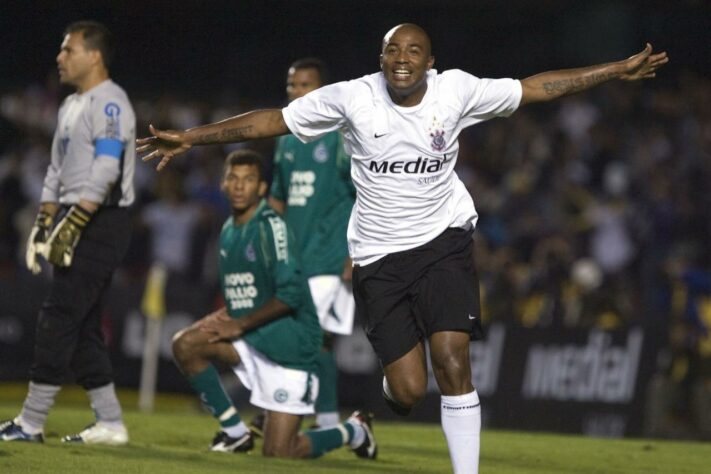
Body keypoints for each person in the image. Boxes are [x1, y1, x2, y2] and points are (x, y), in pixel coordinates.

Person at [138, 23, 668, 473]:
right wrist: (190, 137)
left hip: (444, 239)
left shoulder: (455, 91)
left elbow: (538, 88)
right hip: (378, 256)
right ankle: (388, 399)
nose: (402, 59)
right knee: (410, 391)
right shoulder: (352, 97)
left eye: (414, 51)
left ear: (430, 62)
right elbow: (271, 121)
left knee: (452, 358)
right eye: (393, 49)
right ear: (381, 58)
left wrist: (614, 70)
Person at [170, 149, 376, 459]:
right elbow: (249, 295)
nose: (240, 186)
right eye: (233, 179)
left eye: (249, 180)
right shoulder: (228, 231)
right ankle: (235, 434)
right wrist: (221, 319)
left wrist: (237, 324)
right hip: (254, 340)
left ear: (262, 188)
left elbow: (290, 294)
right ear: (222, 185)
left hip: (289, 352)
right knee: (186, 344)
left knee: (281, 452)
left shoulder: (272, 228)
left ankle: (354, 429)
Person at [1, 21, 135, 445]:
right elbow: (57, 171)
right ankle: (110, 422)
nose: (60, 57)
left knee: (59, 315)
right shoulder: (70, 106)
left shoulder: (111, 102)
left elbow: (108, 168)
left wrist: (74, 221)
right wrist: (45, 220)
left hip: (101, 219)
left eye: (68, 50)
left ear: (93, 56)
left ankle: (32, 421)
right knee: (82, 323)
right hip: (77, 216)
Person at [257, 58, 356, 432]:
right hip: (294, 258)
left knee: (307, 338)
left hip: (329, 257)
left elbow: (365, 194)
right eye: (291, 86)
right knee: (309, 342)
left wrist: (354, 252)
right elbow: (279, 199)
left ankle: (301, 417)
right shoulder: (285, 137)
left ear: (322, 91)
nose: (296, 93)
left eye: (304, 86)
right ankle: (328, 422)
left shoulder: (341, 137)